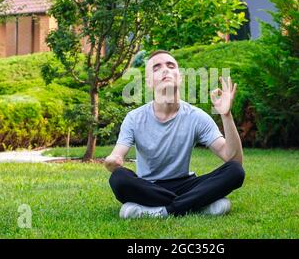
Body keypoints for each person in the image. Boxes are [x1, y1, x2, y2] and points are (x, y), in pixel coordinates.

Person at [105, 50, 245, 218]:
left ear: (179, 77)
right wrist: (112, 162)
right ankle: (198, 205)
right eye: (157, 67)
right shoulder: (134, 118)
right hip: (149, 187)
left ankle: (162, 211)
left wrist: (226, 115)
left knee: (235, 171)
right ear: (149, 83)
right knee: (119, 178)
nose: (165, 69)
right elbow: (115, 158)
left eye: (171, 66)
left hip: (186, 184)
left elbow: (234, 160)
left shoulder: (196, 116)